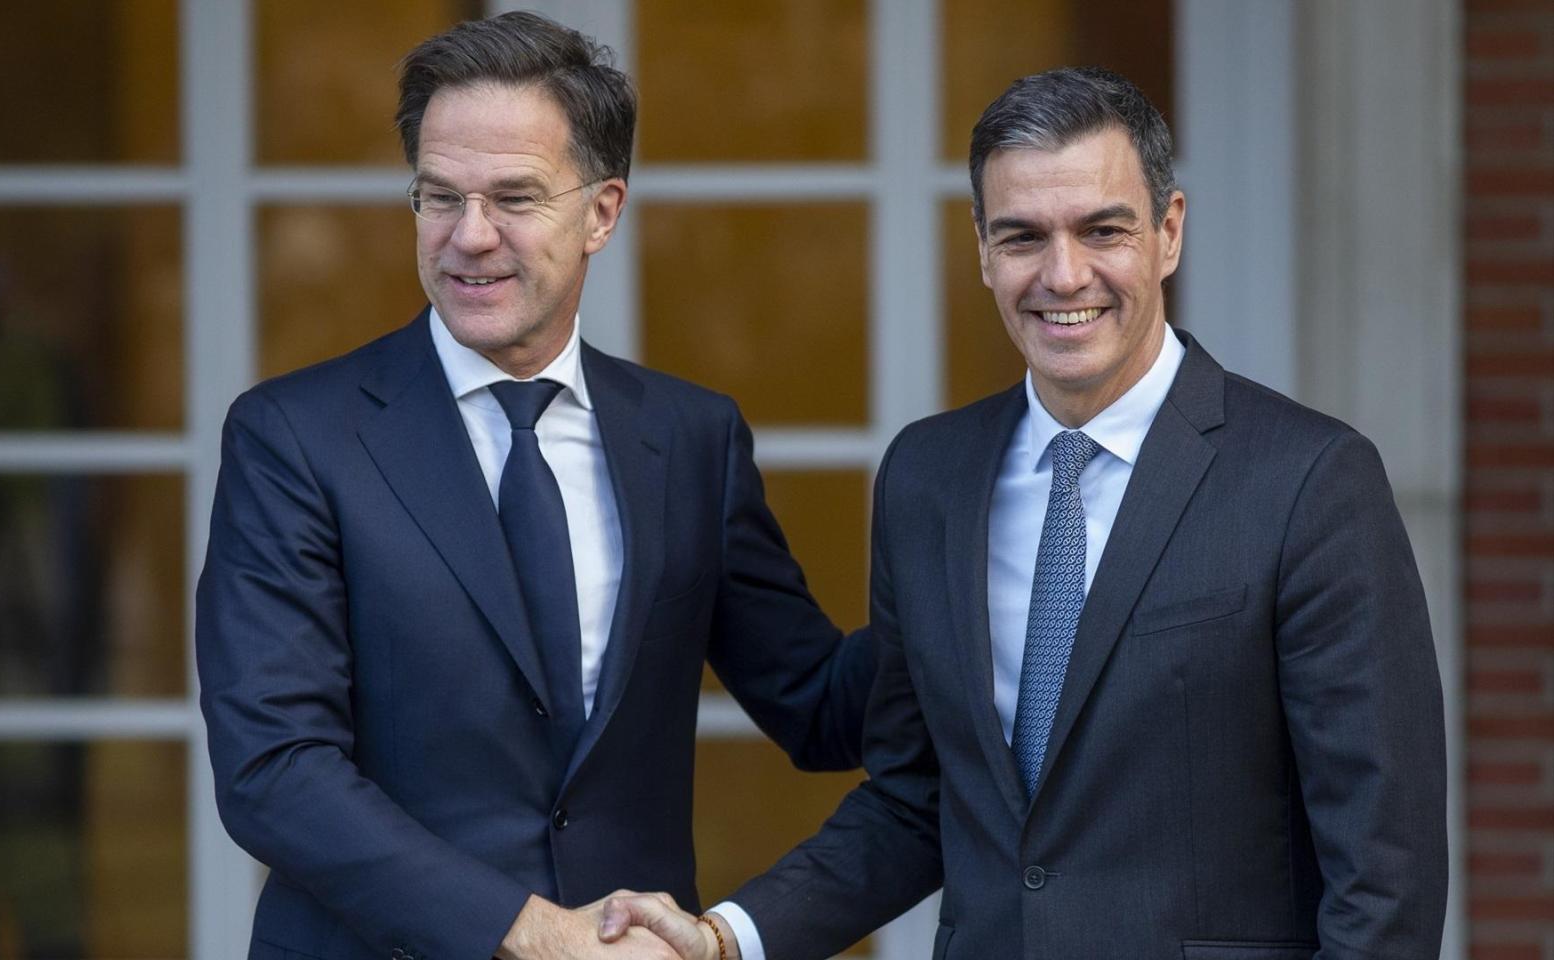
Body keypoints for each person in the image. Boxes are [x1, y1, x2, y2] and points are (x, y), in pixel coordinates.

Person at [600, 66, 1448, 960]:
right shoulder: (929, 478)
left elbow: (1384, 874)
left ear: (1168, 231)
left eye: (1103, 230)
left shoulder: (1308, 480)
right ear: (982, 249)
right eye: (1023, 237)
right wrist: (723, 937)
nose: (1063, 274)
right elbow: (916, 799)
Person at [194, 12, 876, 960]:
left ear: (602, 211)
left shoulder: (690, 438)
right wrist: (529, 932)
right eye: (440, 197)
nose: (469, 236)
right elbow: (274, 770)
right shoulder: (295, 437)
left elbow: (820, 706)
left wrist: (984, 567)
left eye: (513, 197)